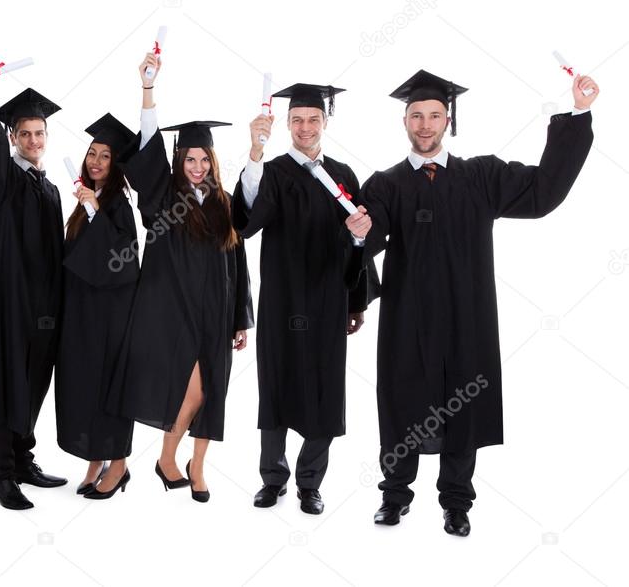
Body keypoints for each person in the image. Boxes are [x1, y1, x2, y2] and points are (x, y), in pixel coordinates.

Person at [361, 69, 598, 536]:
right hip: (407, 317)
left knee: (460, 403)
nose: (425, 125)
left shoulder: (481, 175)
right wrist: (356, 237)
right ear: (404, 122)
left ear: (448, 119)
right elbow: (364, 243)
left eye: (433, 115)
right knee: (403, 399)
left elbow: (544, 191)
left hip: (467, 315)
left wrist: (578, 113)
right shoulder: (385, 184)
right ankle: (395, 495)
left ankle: (456, 502)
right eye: (416, 116)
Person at [107, 53, 253, 503]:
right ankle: (168, 458)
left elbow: (239, 261)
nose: (197, 167)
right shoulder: (162, 197)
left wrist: (241, 317)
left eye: (203, 159)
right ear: (178, 160)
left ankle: (198, 464)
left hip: (217, 310)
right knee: (194, 387)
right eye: (189, 159)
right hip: (174, 311)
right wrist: (148, 91)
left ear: (211, 159)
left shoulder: (225, 202)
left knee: (214, 391)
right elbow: (147, 145)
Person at [232, 83, 375, 514]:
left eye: (313, 119)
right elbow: (247, 218)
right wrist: (254, 152)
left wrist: (355, 301)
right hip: (282, 300)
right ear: (287, 125)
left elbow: (359, 241)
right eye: (296, 120)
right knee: (275, 384)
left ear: (325, 122)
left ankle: (310, 482)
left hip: (328, 300)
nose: (305, 127)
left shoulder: (344, 175)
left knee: (324, 389)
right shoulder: (273, 171)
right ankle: (272, 477)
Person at [0, 70, 68, 510]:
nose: (33, 139)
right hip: (11, 297)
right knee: (8, 380)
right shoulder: (3, 177)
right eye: (24, 133)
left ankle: (24, 459)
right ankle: (1, 473)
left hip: (46, 300)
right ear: (11, 136)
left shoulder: (52, 188)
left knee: (37, 378)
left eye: (38, 132)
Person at [55, 113, 139, 500]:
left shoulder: (117, 203)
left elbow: (122, 259)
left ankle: (118, 464)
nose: (95, 162)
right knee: (85, 388)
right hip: (82, 316)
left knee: (110, 388)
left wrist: (93, 210)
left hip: (110, 317)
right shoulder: (85, 201)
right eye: (92, 153)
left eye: (105, 156)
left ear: (116, 163)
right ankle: (94, 460)